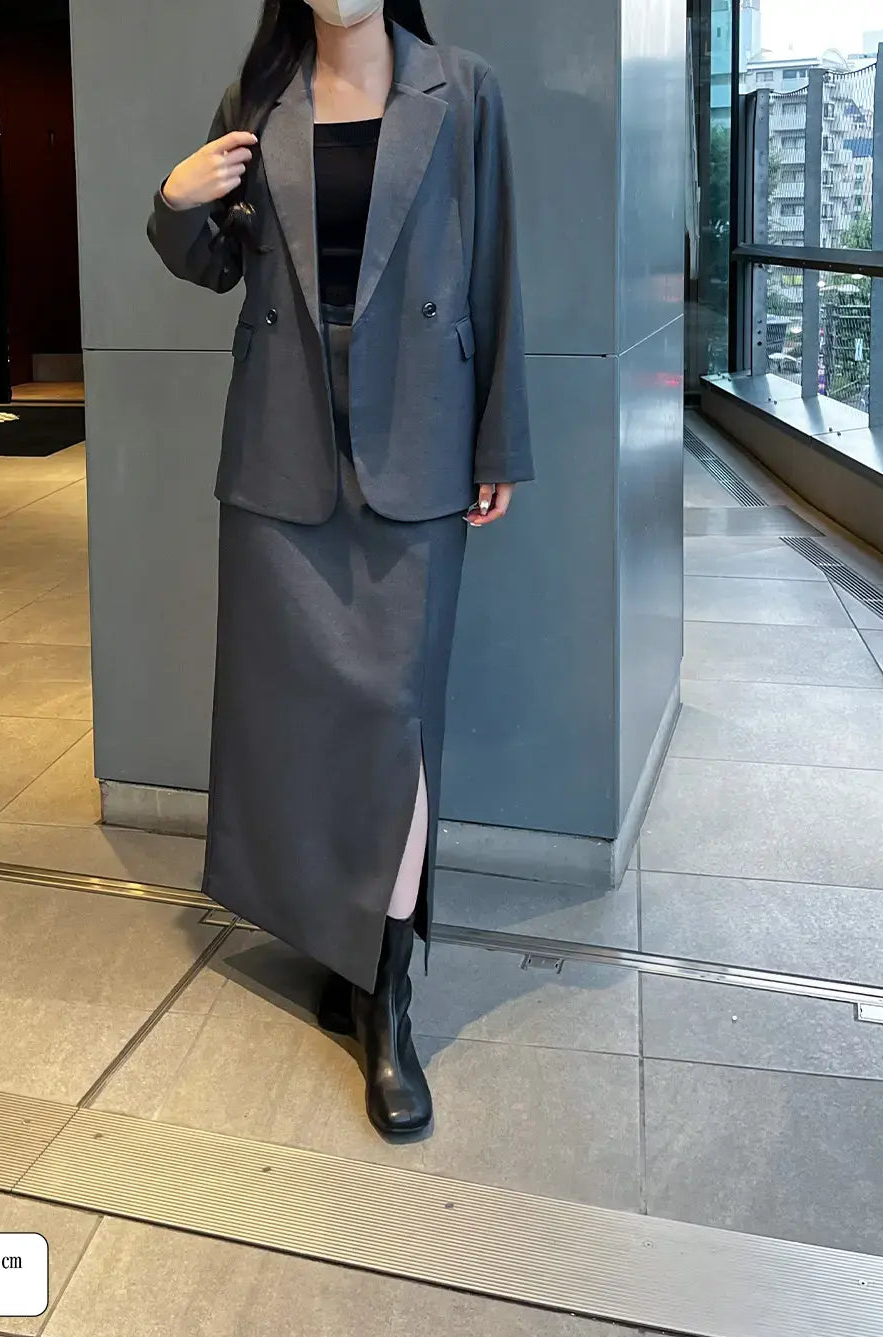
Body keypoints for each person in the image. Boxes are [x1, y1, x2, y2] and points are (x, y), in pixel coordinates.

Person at [147, 0, 534, 1140]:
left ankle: (387, 995)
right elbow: (215, 266)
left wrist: (499, 442)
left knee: (397, 720)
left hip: (419, 438)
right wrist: (175, 202)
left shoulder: (463, 89)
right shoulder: (257, 101)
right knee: (298, 721)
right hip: (284, 447)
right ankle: (342, 944)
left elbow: (497, 266)